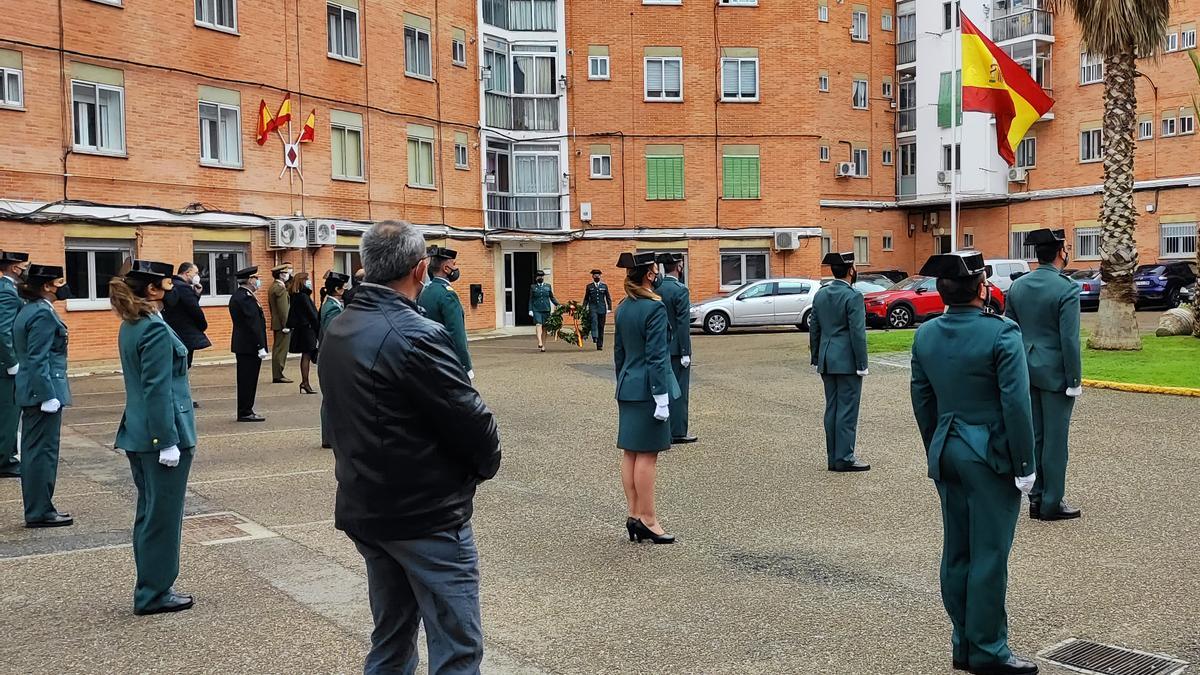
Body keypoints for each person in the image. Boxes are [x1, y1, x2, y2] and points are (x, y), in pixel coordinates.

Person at [318, 221, 501, 675]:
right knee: (456, 647)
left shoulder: (340, 327)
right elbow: (474, 426)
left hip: (368, 504)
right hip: (425, 514)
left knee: (392, 638)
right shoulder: (416, 334)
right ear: (421, 270)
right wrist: (477, 470)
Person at [911, 250, 1038, 675]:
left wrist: (937, 445)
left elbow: (923, 400)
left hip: (947, 449)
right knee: (989, 554)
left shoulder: (926, 335)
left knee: (957, 552)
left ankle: (963, 642)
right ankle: (989, 650)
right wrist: (1026, 465)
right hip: (990, 455)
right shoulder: (1002, 334)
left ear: (942, 291)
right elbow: (1017, 407)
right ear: (982, 287)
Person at [109, 260, 198, 616]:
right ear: (151, 291)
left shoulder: (135, 324)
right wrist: (168, 441)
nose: (173, 288)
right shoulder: (154, 330)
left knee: (149, 512)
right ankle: (154, 592)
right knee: (162, 515)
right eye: (167, 284)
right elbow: (157, 389)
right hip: (161, 435)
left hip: (139, 432)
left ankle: (150, 584)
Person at [1005, 228, 1083, 522]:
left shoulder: (1019, 286)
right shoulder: (1066, 288)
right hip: (1055, 374)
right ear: (1061, 252)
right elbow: (1069, 340)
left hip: (1024, 367)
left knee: (1035, 436)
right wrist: (1074, 380)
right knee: (1055, 441)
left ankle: (1035, 498)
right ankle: (1051, 503)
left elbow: (1010, 331)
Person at [614, 251, 680, 545]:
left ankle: (634, 514)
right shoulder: (654, 308)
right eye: (654, 270)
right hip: (649, 390)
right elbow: (656, 357)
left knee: (630, 452)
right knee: (647, 455)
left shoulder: (623, 307)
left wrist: (624, 382)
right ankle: (649, 519)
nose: (658, 274)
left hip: (629, 386)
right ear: (649, 275)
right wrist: (661, 396)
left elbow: (619, 354)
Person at [14, 264, 73, 528]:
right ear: (47, 286)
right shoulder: (42, 314)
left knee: (36, 451)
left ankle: (40, 508)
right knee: (42, 453)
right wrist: (47, 395)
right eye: (59, 282)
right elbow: (39, 359)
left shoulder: (32, 309)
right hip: (42, 393)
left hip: (34, 390)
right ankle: (40, 511)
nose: (63, 287)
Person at [809, 252, 870, 472]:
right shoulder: (853, 296)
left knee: (832, 408)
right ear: (851, 270)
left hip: (827, 358)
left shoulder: (821, 294)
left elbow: (814, 328)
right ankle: (844, 457)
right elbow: (857, 332)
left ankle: (833, 457)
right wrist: (862, 363)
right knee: (847, 410)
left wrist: (816, 356)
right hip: (846, 361)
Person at [655, 253, 696, 444]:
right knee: (679, 391)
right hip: (677, 349)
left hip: (658, 346)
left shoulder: (656, 288)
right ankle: (678, 431)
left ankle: (661, 430)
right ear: (679, 267)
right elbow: (682, 324)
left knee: (661, 388)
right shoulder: (681, 290)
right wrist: (686, 352)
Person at [418, 246, 473, 380]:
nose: (455, 268)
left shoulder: (424, 292)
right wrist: (465, 365)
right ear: (446, 269)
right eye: (453, 264)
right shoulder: (448, 295)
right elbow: (456, 334)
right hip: (447, 361)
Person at [161, 262, 211, 409]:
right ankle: (180, 397)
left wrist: (196, 294)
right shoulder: (183, 288)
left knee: (177, 367)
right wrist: (202, 326)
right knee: (182, 367)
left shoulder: (173, 285)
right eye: (195, 273)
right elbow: (193, 309)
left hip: (175, 332)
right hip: (185, 334)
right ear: (187, 272)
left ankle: (177, 396)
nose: (197, 276)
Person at [0, 250, 29, 479]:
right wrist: (11, 361)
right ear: (13, 267)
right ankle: (5, 461)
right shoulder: (7, 292)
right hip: (5, 366)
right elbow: (3, 330)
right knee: (8, 413)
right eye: (23, 265)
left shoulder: (9, 289)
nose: (25, 269)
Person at [229, 267, 268, 422]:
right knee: (247, 380)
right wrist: (260, 345)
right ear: (250, 279)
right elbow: (253, 324)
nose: (258, 280)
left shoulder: (244, 296)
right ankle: (245, 411)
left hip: (246, 345)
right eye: (256, 278)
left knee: (248, 379)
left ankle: (246, 409)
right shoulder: (244, 297)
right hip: (248, 345)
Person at [318, 272, 350, 450]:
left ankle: (331, 436)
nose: (345, 290)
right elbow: (332, 332)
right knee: (330, 397)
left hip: (331, 356)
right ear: (337, 289)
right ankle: (329, 437)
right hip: (331, 357)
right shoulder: (331, 307)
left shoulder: (333, 304)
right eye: (343, 287)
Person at [286, 272, 321, 395]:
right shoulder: (303, 296)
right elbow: (312, 314)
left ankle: (305, 382)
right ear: (302, 281)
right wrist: (319, 329)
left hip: (302, 329)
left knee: (306, 356)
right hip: (308, 329)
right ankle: (305, 382)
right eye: (307, 279)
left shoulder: (295, 295)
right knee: (307, 355)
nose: (309, 281)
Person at [268, 263, 293, 384]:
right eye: (286, 273)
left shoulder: (274, 286)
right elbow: (284, 310)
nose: (288, 275)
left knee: (278, 349)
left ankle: (277, 374)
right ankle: (278, 374)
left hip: (277, 323)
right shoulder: (280, 288)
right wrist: (286, 325)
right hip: (282, 324)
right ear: (281, 275)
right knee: (281, 350)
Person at [528, 270, 559, 352]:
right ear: (536, 278)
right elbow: (531, 299)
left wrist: (558, 304)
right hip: (536, 309)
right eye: (539, 276)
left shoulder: (548, 286)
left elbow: (552, 297)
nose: (540, 278)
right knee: (538, 324)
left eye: (542, 276)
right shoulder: (533, 287)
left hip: (546, 309)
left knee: (545, 328)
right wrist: (530, 309)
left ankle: (543, 346)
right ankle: (540, 342)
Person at [582, 269, 613, 351]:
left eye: (598, 275)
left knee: (601, 326)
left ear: (600, 276)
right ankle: (594, 336)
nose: (596, 276)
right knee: (594, 321)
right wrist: (584, 307)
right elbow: (586, 298)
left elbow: (608, 297)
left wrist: (609, 308)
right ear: (592, 276)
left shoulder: (604, 286)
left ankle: (600, 345)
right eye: (595, 275)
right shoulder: (589, 286)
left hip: (602, 308)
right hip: (593, 307)